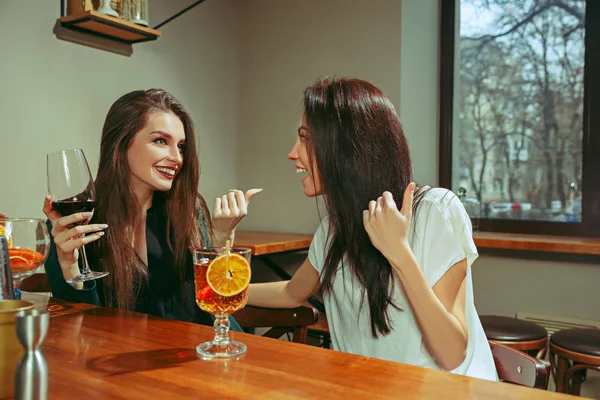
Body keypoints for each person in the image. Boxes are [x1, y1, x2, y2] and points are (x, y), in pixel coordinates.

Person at [248, 77, 497, 380]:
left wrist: (399, 253)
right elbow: (291, 292)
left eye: (304, 138)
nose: (292, 152)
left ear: (345, 150)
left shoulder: (436, 210)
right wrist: (222, 291)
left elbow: (451, 353)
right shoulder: (332, 231)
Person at [43, 89, 260, 329]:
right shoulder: (74, 224)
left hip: (193, 356)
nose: (176, 157)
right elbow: (77, 328)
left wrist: (222, 238)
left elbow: (216, 304)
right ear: (121, 142)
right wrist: (70, 265)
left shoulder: (188, 210)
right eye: (160, 141)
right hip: (115, 360)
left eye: (181, 146)